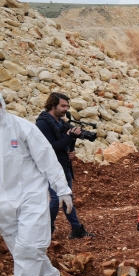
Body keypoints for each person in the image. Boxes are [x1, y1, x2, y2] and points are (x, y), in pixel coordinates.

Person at [0, 92, 74, 276]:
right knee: (18, 247)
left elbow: (47, 158)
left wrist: (63, 189)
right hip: (4, 203)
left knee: (29, 245)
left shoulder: (21, 128)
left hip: (30, 194)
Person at [35, 92, 94, 239]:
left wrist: (71, 150)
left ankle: (76, 229)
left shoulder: (61, 122)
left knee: (67, 197)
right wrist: (69, 137)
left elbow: (66, 143)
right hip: (51, 167)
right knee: (56, 199)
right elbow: (50, 147)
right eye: (62, 106)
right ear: (52, 105)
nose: (65, 109)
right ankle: (45, 228)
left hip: (64, 165)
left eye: (67, 106)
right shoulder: (43, 123)